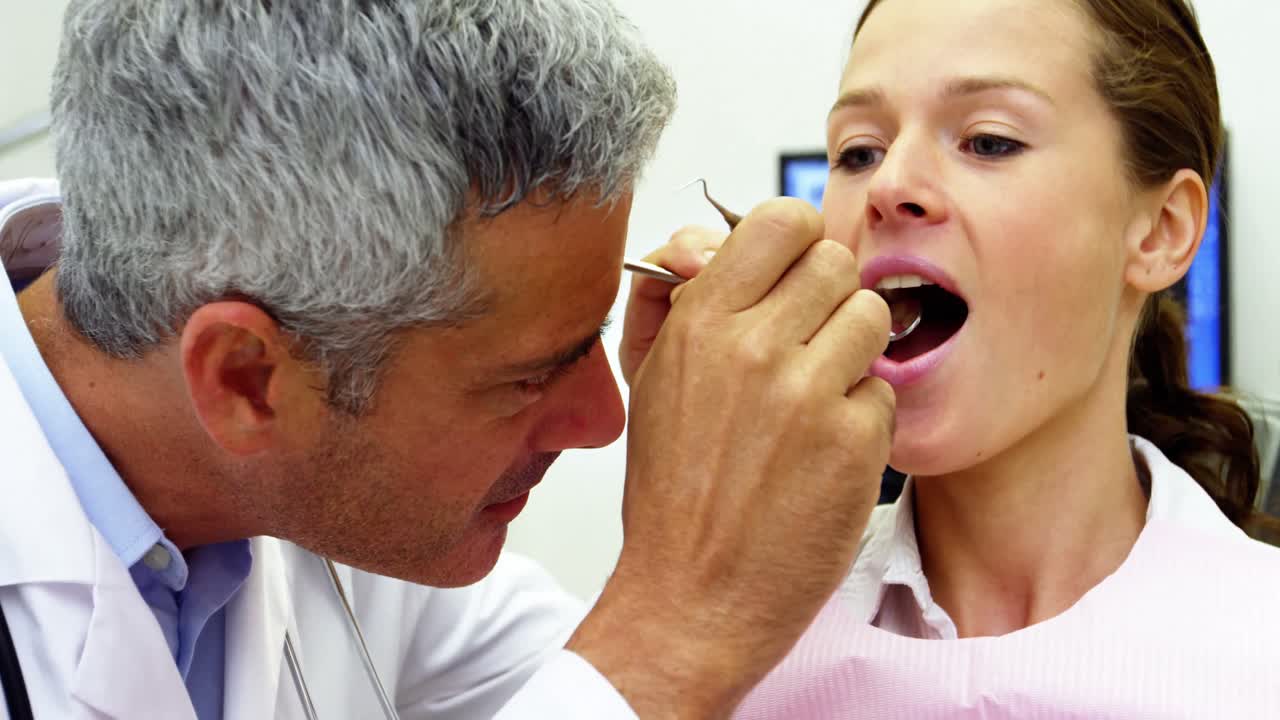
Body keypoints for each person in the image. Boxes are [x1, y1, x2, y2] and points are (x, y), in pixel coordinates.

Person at [0, 1, 900, 718]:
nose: (607, 422)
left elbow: (580, 684)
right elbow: (637, 680)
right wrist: (683, 616)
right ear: (247, 381)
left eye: (589, 338)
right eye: (527, 376)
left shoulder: (366, 519)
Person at [647, 0, 1280, 715]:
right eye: (858, 152)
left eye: (988, 141)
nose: (888, 185)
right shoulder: (727, 651)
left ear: (1162, 230)